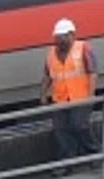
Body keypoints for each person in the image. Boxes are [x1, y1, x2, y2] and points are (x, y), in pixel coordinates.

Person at [42, 18, 99, 168]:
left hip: (80, 97)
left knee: (79, 126)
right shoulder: (51, 54)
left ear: (72, 35)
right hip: (60, 98)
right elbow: (48, 75)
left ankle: (94, 154)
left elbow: (92, 72)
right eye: (58, 37)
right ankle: (66, 162)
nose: (60, 40)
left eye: (63, 36)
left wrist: (91, 95)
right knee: (60, 130)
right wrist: (43, 94)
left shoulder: (83, 48)